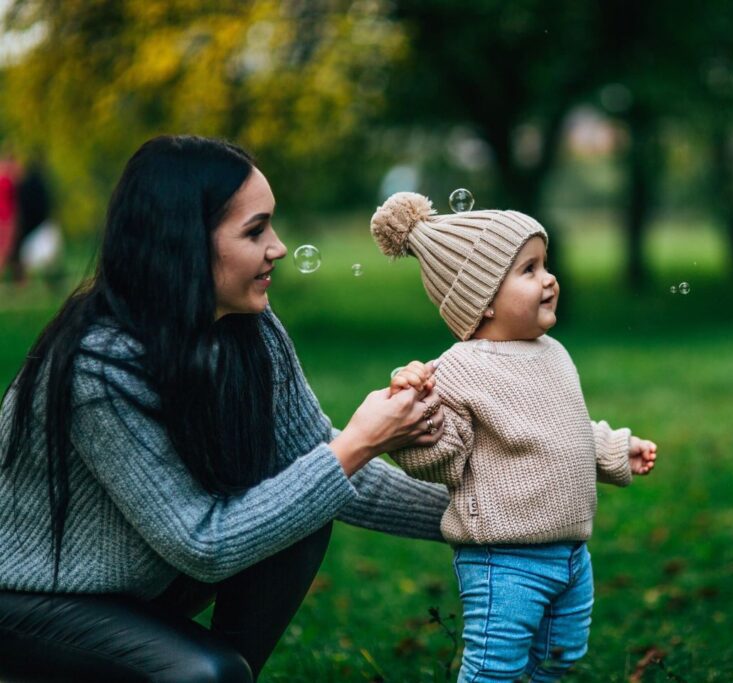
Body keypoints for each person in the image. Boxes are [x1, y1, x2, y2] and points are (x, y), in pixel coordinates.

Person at [0, 135, 451, 682]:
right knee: (206, 675)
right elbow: (203, 545)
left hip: (142, 581)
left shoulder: (249, 328)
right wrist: (358, 442)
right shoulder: (99, 367)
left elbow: (327, 469)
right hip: (32, 598)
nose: (279, 247)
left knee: (304, 500)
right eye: (255, 230)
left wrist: (493, 519)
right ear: (185, 243)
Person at [370, 192, 658, 681]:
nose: (549, 279)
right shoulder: (460, 369)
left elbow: (564, 428)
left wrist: (613, 448)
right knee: (493, 668)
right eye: (529, 270)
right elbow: (440, 458)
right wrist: (416, 416)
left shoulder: (552, 352)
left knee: (559, 654)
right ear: (479, 301)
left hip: (570, 553)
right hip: (504, 561)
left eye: (546, 264)